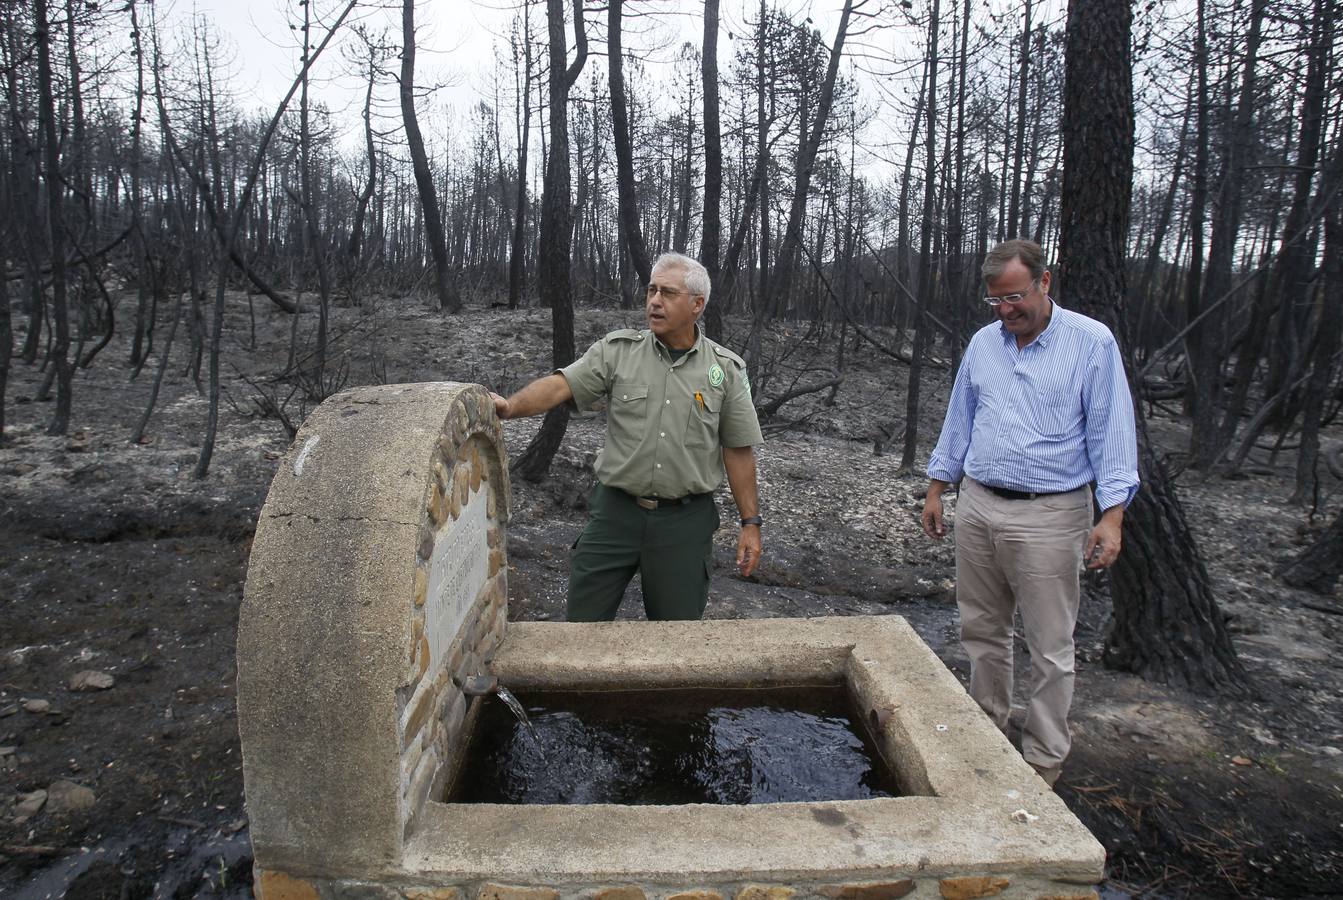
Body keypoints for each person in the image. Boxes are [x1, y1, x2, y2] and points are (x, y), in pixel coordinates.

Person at [920, 239, 1139, 788]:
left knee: (1050, 647)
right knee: (982, 632)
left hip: (1051, 514)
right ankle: (986, 736)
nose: (1005, 310)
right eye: (995, 301)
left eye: (1015, 297)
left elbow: (1112, 431)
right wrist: (936, 486)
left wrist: (1112, 515)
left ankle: (1042, 762)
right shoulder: (984, 344)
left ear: (1046, 282)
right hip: (978, 504)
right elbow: (959, 418)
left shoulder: (1091, 342)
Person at [491, 252, 763, 622]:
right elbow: (561, 386)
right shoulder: (618, 352)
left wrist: (750, 524)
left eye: (667, 293)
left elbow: (738, 449)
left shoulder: (726, 370)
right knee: (580, 628)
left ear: (697, 305)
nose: (654, 301)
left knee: (675, 636)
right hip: (614, 516)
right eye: (651, 290)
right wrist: (510, 406)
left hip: (683, 525)